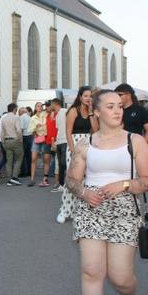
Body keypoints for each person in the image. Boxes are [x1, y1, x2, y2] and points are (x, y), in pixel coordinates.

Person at [66, 89, 148, 295]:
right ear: (96, 111)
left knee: (120, 276)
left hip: (124, 209)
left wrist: (125, 184)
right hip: (91, 209)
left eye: (119, 106)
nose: (118, 111)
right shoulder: (85, 145)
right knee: (91, 271)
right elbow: (72, 180)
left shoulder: (135, 141)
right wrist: (84, 192)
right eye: (110, 106)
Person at [56, 86, 98, 223]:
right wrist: (73, 150)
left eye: (91, 96)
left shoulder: (91, 111)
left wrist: (91, 112)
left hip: (88, 145)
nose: (88, 98)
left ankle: (78, 210)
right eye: (86, 96)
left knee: (86, 180)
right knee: (73, 179)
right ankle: (64, 210)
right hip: (74, 145)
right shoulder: (73, 111)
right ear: (80, 97)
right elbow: (68, 131)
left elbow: (96, 130)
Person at [0, 103, 24, 186]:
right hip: (15, 140)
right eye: (16, 109)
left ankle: (10, 179)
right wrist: (21, 140)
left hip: (6, 141)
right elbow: (19, 130)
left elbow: (2, 132)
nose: (16, 110)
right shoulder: (16, 117)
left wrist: (2, 142)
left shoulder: (3, 119)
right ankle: (14, 177)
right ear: (14, 109)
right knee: (19, 158)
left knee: (9, 160)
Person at [28, 102, 50, 187]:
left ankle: (45, 177)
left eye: (41, 106)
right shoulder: (33, 117)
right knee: (33, 159)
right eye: (38, 106)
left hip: (45, 138)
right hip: (37, 139)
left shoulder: (45, 115)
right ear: (35, 108)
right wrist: (35, 130)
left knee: (45, 159)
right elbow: (30, 129)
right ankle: (32, 179)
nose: (40, 107)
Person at [51, 98, 67, 193]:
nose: (50, 106)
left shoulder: (65, 111)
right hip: (60, 141)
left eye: (51, 104)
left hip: (65, 140)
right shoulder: (57, 115)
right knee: (61, 164)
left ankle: (66, 184)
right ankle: (61, 184)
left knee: (64, 163)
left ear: (55, 104)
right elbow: (58, 129)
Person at [19, 106, 33, 177]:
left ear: (21, 112)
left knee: (22, 155)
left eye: (19, 112)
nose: (19, 113)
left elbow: (21, 129)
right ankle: (30, 172)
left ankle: (23, 172)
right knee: (29, 156)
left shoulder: (22, 117)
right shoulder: (29, 117)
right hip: (30, 137)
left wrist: (20, 139)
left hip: (24, 137)